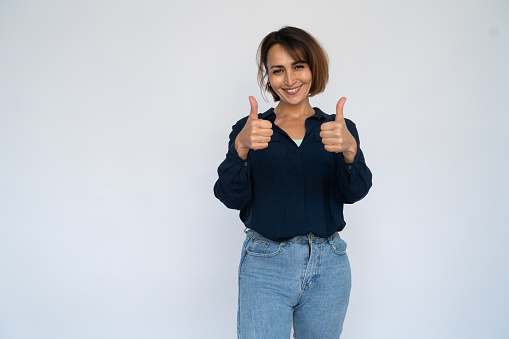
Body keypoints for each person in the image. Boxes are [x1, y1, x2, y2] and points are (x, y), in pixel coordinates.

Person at [213, 26, 372, 339]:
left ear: (313, 68)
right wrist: (241, 148)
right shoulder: (251, 130)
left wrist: (350, 149)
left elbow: (354, 191)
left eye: (298, 66)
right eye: (278, 70)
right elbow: (230, 196)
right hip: (266, 264)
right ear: (268, 76)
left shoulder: (338, 128)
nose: (289, 80)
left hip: (329, 266)